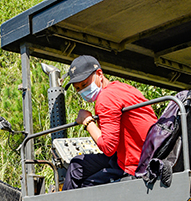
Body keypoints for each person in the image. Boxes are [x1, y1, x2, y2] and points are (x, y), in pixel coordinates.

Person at [62, 55, 157, 190]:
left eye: (84, 84)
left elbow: (108, 147)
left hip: (133, 163)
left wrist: (87, 121)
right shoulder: (123, 88)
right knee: (77, 165)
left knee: (82, 181)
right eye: (78, 88)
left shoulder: (106, 98)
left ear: (99, 74)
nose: (82, 91)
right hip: (144, 154)